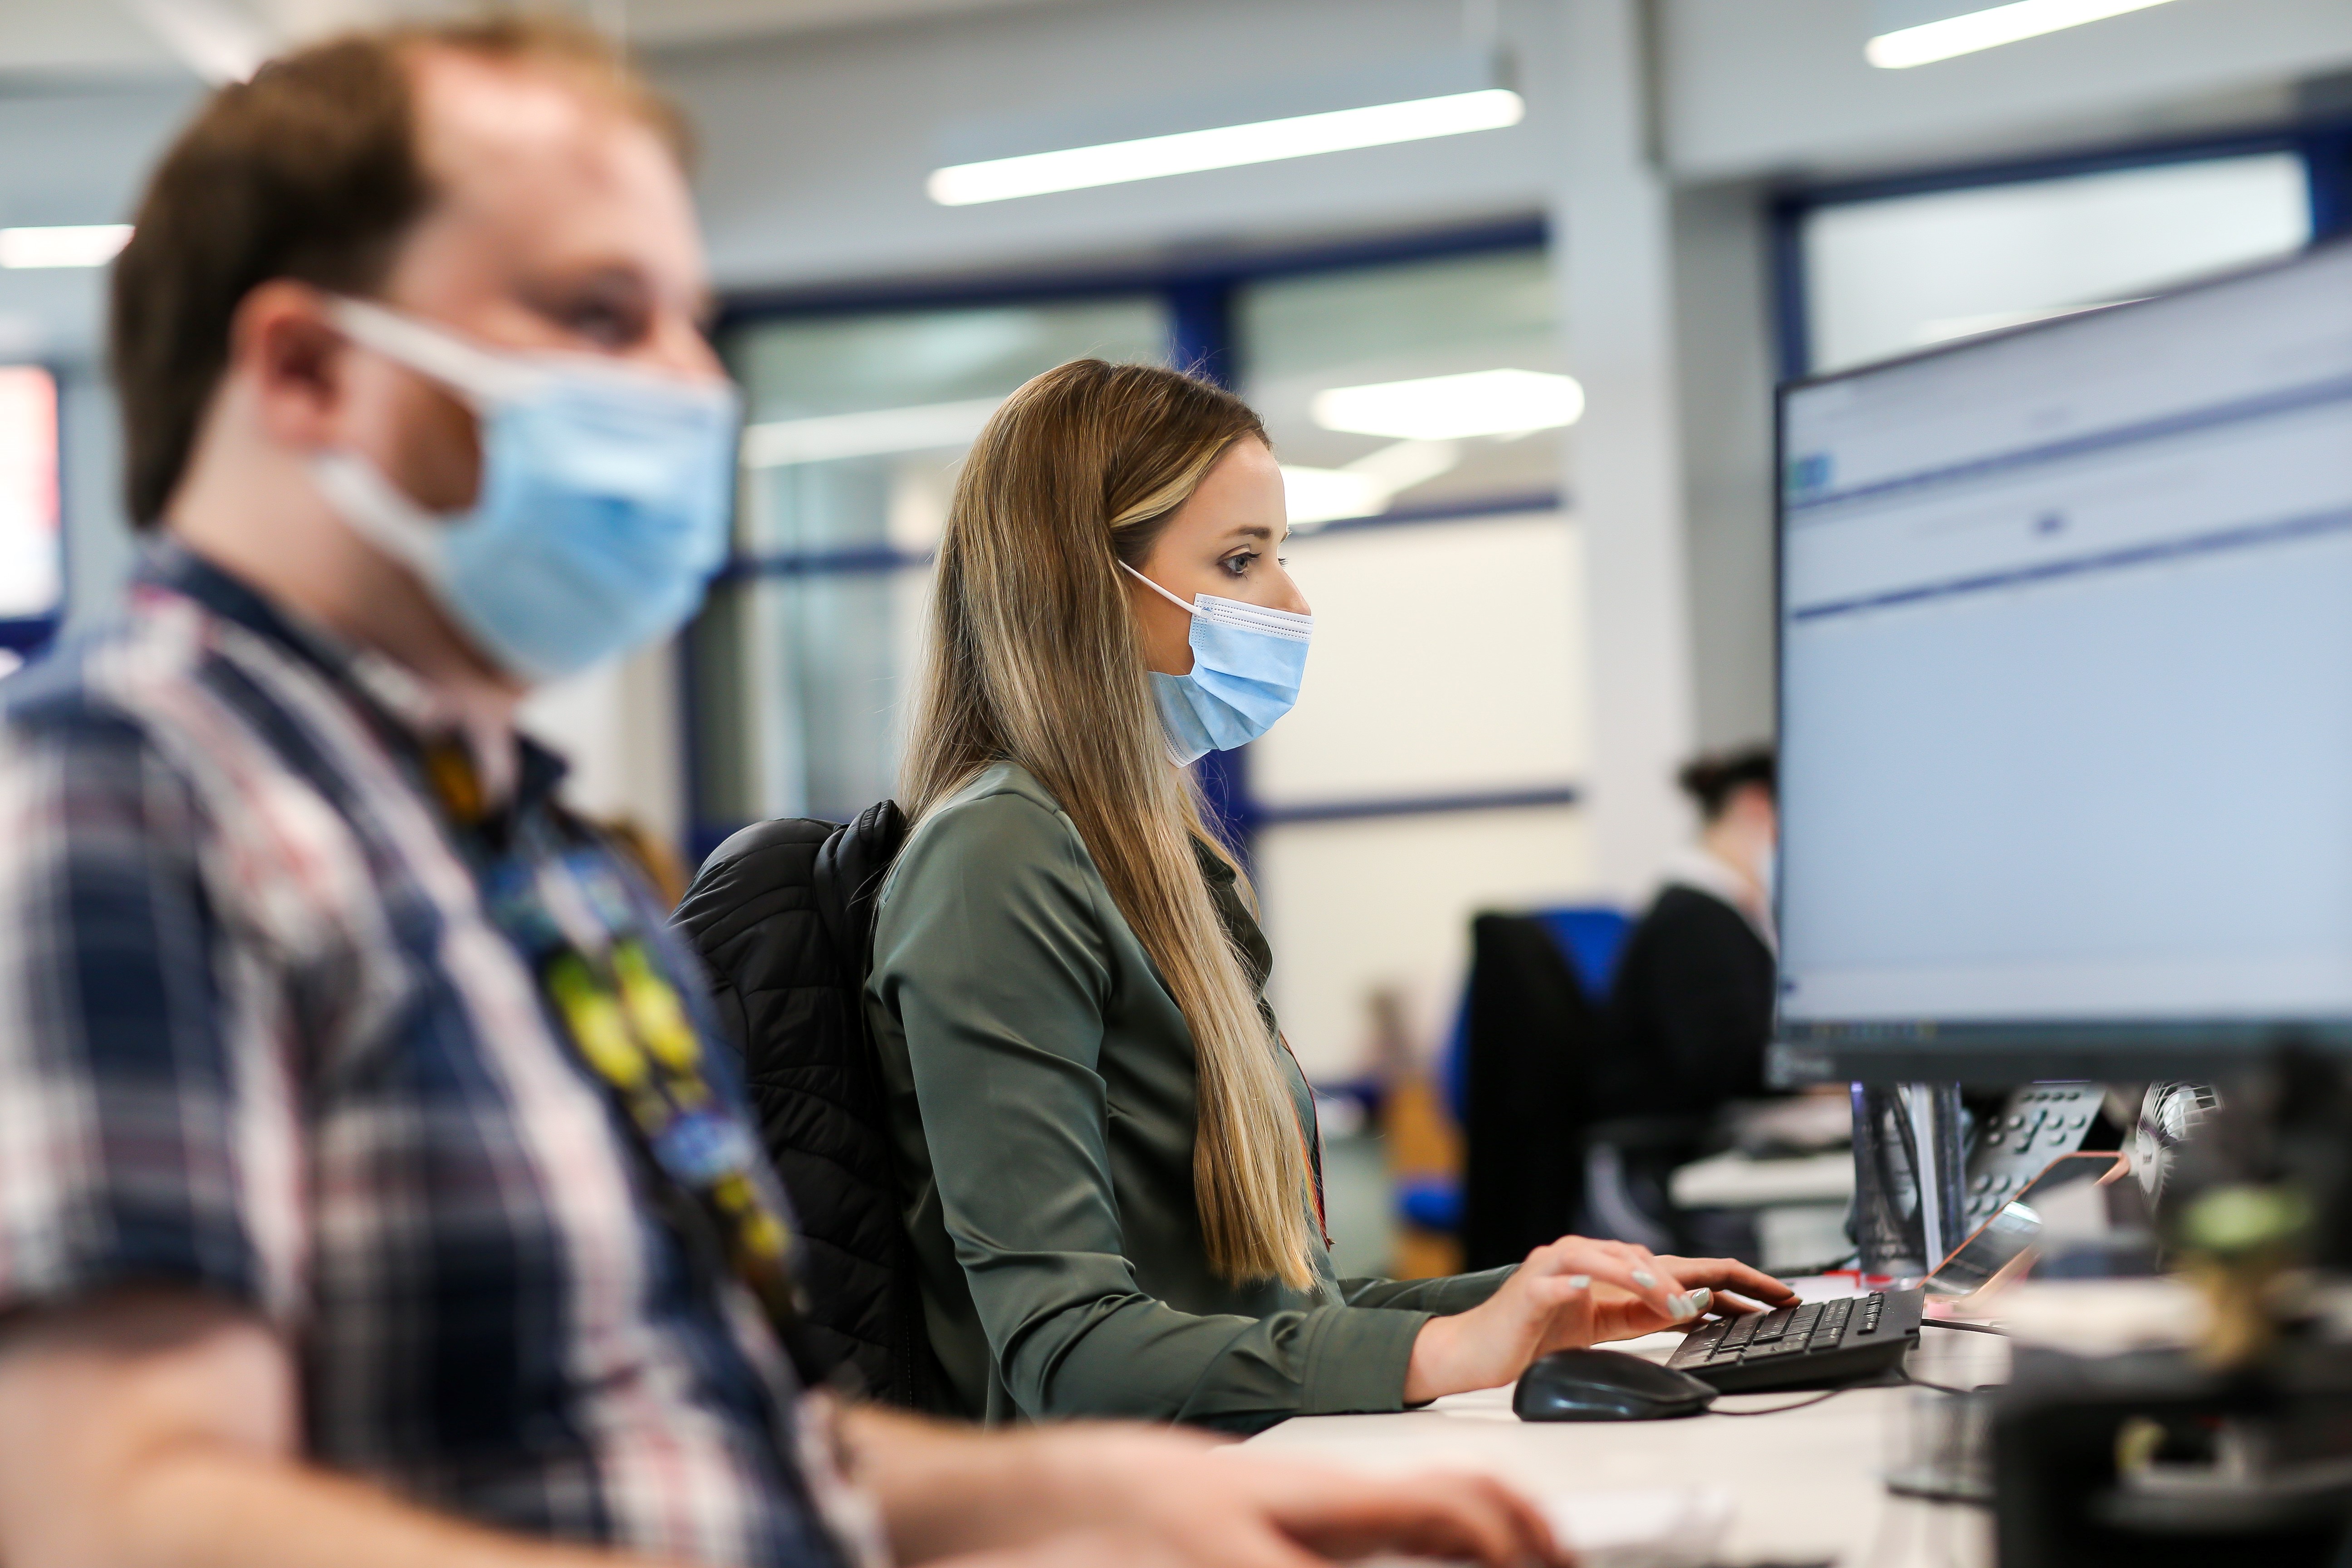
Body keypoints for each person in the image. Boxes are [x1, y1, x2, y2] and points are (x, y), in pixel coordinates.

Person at [0, 24, 1570, 1568]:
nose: (694, 385)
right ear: (307, 368)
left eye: (694, 319)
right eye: (604, 316)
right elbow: (113, 1511)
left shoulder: (526, 852)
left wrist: (1130, 1501)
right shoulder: (134, 789)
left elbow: (719, 1441)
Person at [865, 359, 1797, 1431]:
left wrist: (1542, 1305)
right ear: (1082, 580)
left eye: (1280, 554)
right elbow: (1069, 1351)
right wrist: (1448, 1346)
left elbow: (1278, 1309)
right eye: (1240, 559)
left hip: (1250, 1474)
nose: (1292, 601)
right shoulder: (995, 859)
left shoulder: (1162, 860)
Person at [1601, 746, 1779, 1120]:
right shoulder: (1694, 921)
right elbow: (1730, 1064)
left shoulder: (1722, 911)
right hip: (1689, 1150)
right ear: (1756, 807)